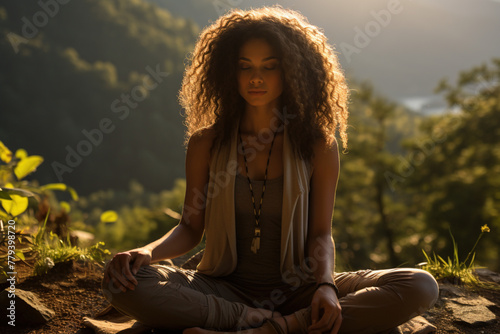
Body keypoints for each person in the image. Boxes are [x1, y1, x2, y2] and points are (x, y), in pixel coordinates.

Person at [101, 6, 438, 334]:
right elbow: (190, 227)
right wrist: (146, 252)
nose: (256, 77)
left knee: (420, 284)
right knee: (123, 283)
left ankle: (277, 327)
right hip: (221, 287)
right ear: (228, 72)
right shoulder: (206, 143)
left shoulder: (319, 145)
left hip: (299, 289)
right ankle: (250, 319)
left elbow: (321, 234)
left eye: (270, 66)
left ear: (292, 71)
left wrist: (325, 285)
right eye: (245, 67)